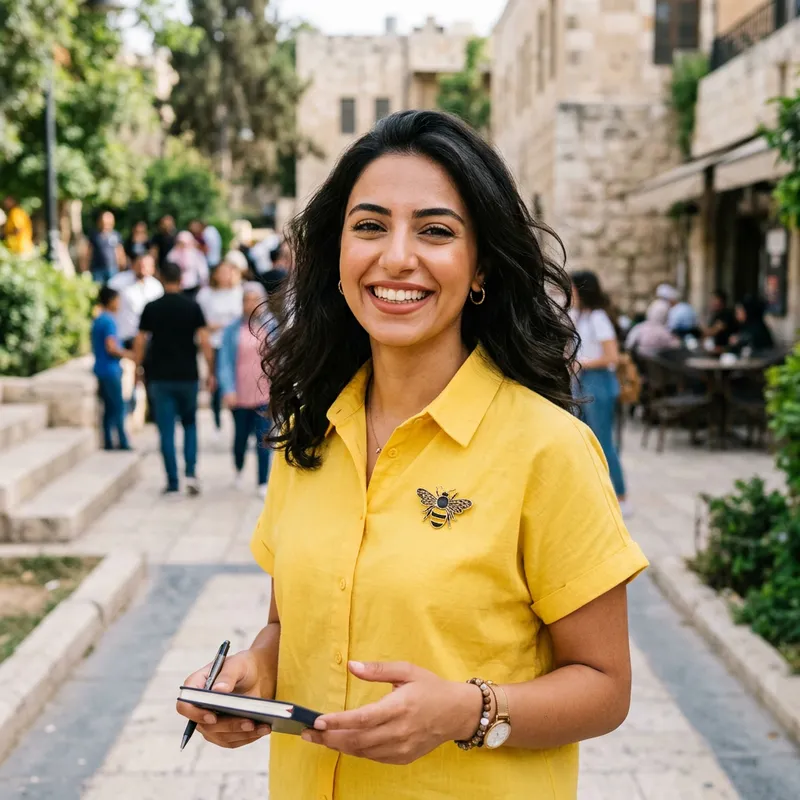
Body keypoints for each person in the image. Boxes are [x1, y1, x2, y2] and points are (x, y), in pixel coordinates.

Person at [177, 110, 648, 800]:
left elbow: (605, 689)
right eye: (369, 226)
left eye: (435, 231)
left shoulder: (548, 449)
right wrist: (252, 675)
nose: (396, 257)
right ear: (336, 257)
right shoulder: (309, 433)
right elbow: (288, 625)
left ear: (480, 265)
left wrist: (467, 711)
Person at [134, 261, 215, 495]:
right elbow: (205, 341)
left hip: (160, 376)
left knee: (166, 430)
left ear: (160, 278)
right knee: (190, 425)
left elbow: (140, 340)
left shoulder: (151, 307)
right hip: (187, 374)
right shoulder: (192, 306)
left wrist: (138, 368)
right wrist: (210, 371)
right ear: (181, 279)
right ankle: (190, 473)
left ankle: (172, 480)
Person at [570, 270, 628, 511]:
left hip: (598, 381)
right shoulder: (579, 316)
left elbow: (611, 356)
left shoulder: (598, 318)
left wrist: (580, 361)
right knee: (581, 438)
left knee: (602, 441)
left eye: (572, 288)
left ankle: (621, 496)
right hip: (582, 380)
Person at [217, 282, 275, 496]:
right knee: (240, 438)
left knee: (264, 438)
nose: (249, 304)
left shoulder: (272, 327)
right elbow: (223, 362)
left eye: (254, 299)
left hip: (264, 393)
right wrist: (227, 389)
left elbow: (281, 360)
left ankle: (262, 481)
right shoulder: (232, 329)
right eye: (246, 300)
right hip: (239, 394)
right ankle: (239, 467)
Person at [196, 255, 245, 432]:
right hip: (215, 342)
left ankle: (236, 412)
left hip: (237, 342)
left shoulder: (240, 292)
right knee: (216, 378)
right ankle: (216, 412)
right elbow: (202, 322)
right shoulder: (206, 294)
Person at [91, 286, 133, 451]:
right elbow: (111, 347)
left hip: (101, 368)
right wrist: (130, 354)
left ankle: (108, 440)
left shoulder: (99, 319)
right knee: (118, 407)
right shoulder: (109, 321)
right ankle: (122, 441)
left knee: (108, 408)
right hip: (110, 370)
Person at [108, 254, 164, 346]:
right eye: (140, 265)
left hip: (148, 339)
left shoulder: (156, 287)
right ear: (133, 264)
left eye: (146, 265)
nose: (143, 268)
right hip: (123, 336)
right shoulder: (117, 282)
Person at [81, 211, 126, 283]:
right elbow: (87, 253)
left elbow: (120, 252)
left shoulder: (116, 235)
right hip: (97, 269)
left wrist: (122, 267)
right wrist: (85, 270)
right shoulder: (94, 235)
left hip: (113, 269)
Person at [166, 231, 209, 298]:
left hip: (192, 287)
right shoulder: (172, 254)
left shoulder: (196, 254)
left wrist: (203, 285)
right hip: (177, 288)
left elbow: (203, 272)